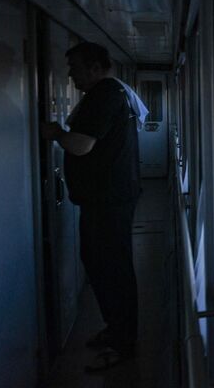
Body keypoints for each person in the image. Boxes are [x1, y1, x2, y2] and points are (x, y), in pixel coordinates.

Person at [41, 42, 141, 372]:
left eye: (75, 68)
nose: (70, 75)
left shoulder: (104, 96)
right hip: (107, 199)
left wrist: (55, 132)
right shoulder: (112, 93)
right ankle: (117, 330)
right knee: (103, 265)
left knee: (111, 269)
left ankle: (124, 344)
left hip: (107, 202)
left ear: (96, 68)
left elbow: (81, 145)